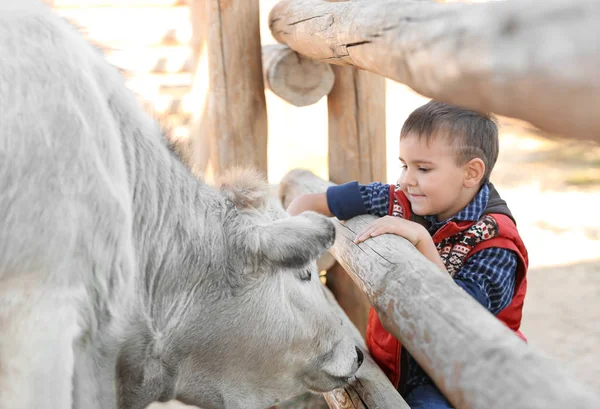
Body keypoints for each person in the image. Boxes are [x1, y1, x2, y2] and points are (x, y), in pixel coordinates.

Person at [287, 100, 529, 408]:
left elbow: (459, 318)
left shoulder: (496, 245)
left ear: (471, 173)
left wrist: (422, 241)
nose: (406, 179)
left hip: (465, 380)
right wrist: (287, 238)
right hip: (394, 365)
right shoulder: (404, 199)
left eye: (423, 168)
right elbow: (312, 201)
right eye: (405, 165)